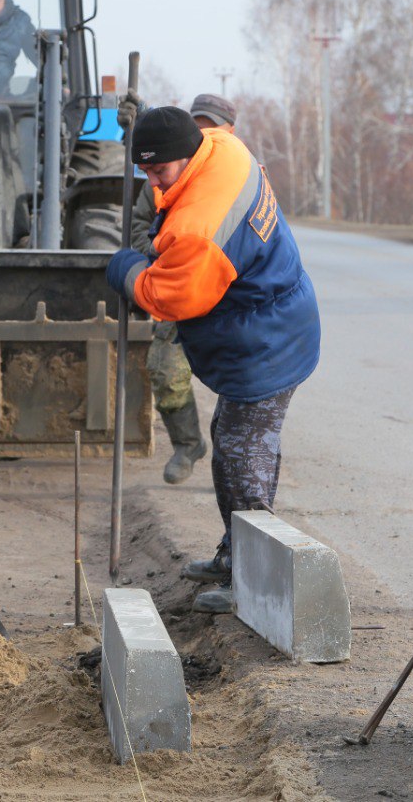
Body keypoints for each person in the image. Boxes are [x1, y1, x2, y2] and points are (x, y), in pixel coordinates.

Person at [106, 106, 321, 614]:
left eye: (159, 170)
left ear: (187, 155)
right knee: (230, 442)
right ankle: (235, 554)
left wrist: (126, 269)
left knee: (243, 459)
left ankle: (256, 584)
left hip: (267, 341)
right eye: (144, 171)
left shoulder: (199, 227)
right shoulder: (221, 147)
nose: (152, 183)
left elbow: (167, 298)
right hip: (269, 322)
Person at [125, 93, 239, 484]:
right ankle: (188, 444)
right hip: (179, 289)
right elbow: (139, 227)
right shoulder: (161, 179)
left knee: (239, 388)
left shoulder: (239, 173)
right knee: (165, 371)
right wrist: (162, 258)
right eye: (198, 125)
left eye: (213, 127)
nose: (205, 134)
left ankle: (233, 466)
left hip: (228, 298)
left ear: (230, 131)